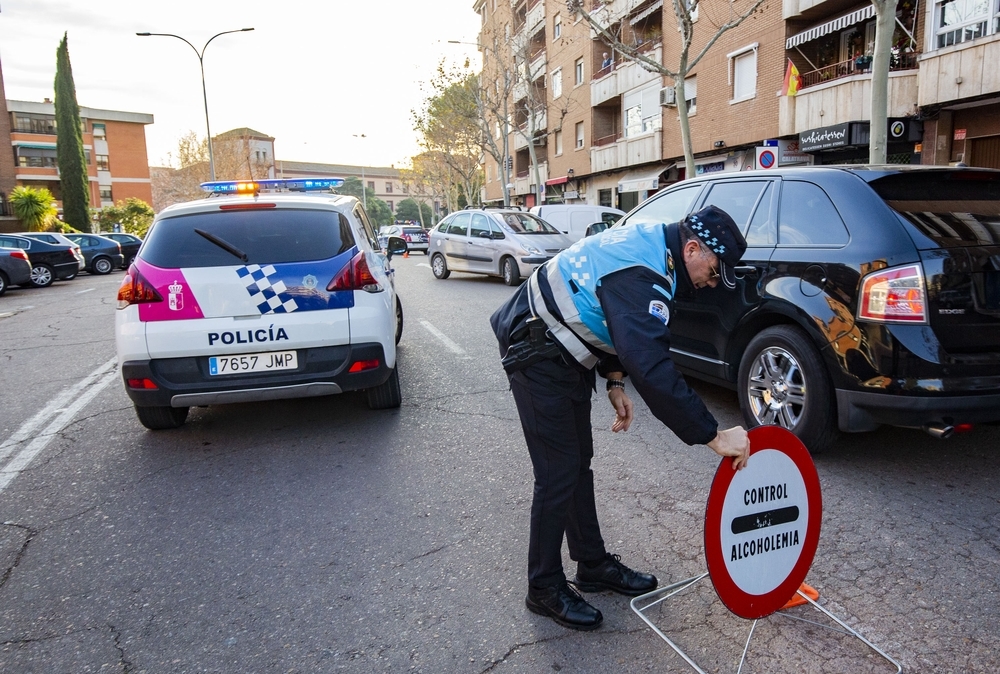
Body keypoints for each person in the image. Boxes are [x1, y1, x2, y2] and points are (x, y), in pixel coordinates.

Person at [490, 205, 751, 631]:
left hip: (561, 348)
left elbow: (606, 307)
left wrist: (613, 379)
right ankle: (543, 587)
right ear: (692, 248)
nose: (711, 282)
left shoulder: (653, 245)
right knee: (558, 472)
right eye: (715, 269)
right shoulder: (645, 271)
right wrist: (713, 435)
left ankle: (591, 565)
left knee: (577, 465)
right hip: (536, 348)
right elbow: (650, 364)